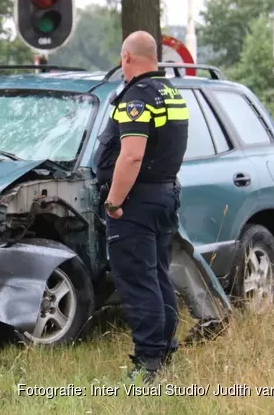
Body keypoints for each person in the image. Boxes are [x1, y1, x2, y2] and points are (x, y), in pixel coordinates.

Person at [93, 31, 190, 383]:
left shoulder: (137, 97)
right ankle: (164, 349)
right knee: (158, 275)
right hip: (164, 195)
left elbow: (132, 155)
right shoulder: (171, 92)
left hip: (137, 201)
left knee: (137, 279)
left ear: (126, 57)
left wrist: (114, 202)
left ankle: (149, 363)